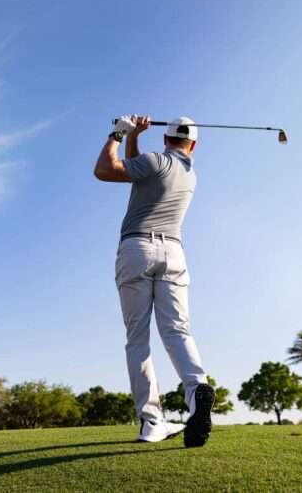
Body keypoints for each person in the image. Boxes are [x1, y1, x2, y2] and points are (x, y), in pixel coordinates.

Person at [94, 115, 215, 447]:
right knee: (177, 330)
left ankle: (151, 421)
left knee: (137, 338)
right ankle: (197, 389)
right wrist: (134, 138)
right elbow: (138, 171)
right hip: (174, 253)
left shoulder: (154, 161)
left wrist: (119, 133)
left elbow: (104, 170)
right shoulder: (190, 175)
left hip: (136, 248)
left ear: (165, 139)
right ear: (193, 145)